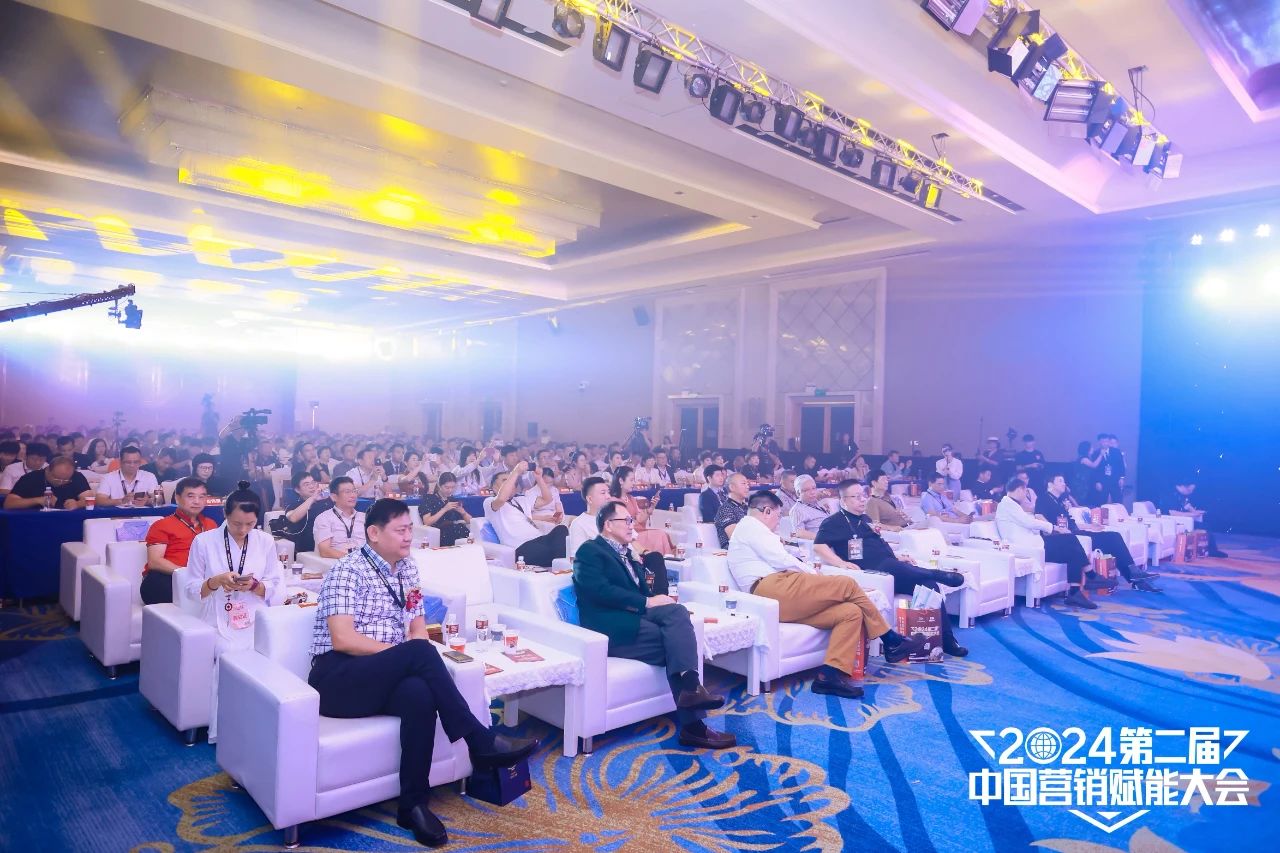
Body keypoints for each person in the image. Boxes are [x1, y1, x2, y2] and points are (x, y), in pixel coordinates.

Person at [310, 498, 537, 847]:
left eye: (409, 529)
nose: (408, 537)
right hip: (338, 679)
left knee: (419, 694)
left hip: (383, 672)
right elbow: (343, 639)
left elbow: (417, 628)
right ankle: (479, 740)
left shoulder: (408, 569)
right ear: (374, 533)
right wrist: (404, 655)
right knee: (419, 653)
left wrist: (407, 657)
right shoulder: (347, 570)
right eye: (400, 530)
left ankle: (413, 805)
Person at [727, 491, 925, 698]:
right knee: (847, 584)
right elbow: (781, 559)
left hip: (779, 595)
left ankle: (828, 676)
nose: (778, 522)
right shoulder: (752, 526)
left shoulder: (751, 531)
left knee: (850, 612)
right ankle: (891, 639)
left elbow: (781, 559)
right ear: (766, 511)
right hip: (772, 587)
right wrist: (814, 574)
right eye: (777, 516)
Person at [573, 500, 734, 749]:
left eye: (631, 520)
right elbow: (598, 590)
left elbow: (642, 589)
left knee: (678, 612)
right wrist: (647, 602)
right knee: (675, 643)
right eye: (626, 521)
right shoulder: (590, 551)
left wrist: (652, 591)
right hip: (609, 625)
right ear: (608, 525)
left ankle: (691, 687)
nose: (631, 525)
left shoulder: (627, 552)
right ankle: (694, 726)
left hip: (635, 615)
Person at [813, 480, 969, 656]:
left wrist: (897, 556)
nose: (862, 500)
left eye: (863, 495)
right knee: (893, 566)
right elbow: (819, 546)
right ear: (843, 500)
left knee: (930, 586)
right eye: (856, 497)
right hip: (872, 572)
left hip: (891, 566)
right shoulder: (833, 522)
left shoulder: (864, 519)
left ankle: (947, 640)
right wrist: (840, 563)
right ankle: (939, 574)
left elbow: (878, 546)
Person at [184, 481, 285, 741]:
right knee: (229, 652)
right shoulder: (204, 541)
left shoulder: (265, 541)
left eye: (250, 524)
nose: (243, 530)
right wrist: (215, 581)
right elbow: (191, 589)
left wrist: (255, 586)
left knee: (274, 650)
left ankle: (264, 725)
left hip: (256, 615)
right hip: (218, 615)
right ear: (225, 515)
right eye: (237, 523)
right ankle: (229, 729)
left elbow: (275, 584)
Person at [1039, 474, 1160, 591]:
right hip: (1067, 537)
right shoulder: (1043, 499)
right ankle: (1134, 577)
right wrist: (1057, 529)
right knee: (1110, 539)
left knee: (1114, 536)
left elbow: (1072, 524)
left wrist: (1090, 526)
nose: (1064, 483)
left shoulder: (1060, 501)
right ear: (1050, 484)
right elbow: (1040, 518)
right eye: (1060, 481)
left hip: (1077, 532)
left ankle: (1133, 573)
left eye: (1064, 481)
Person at [996, 478, 1094, 609]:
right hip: (1028, 547)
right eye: (1025, 491)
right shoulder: (1007, 505)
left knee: (1072, 549)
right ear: (1019, 489)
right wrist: (1054, 528)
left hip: (1033, 543)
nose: (1026, 495)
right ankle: (1090, 575)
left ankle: (1075, 592)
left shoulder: (1011, 505)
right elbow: (1028, 522)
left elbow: (1027, 524)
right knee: (1069, 540)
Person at [141, 477, 219, 604]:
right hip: (166, 578)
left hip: (201, 579)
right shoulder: (162, 525)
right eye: (191, 496)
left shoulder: (211, 524)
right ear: (177, 498)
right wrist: (187, 573)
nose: (197, 501)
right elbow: (154, 562)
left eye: (202, 497)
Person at [485, 464, 568, 567]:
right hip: (522, 547)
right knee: (558, 551)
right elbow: (501, 498)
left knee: (561, 530)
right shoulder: (489, 502)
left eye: (512, 481)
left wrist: (539, 479)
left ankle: (560, 564)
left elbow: (547, 500)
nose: (511, 483)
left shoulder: (521, 500)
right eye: (505, 480)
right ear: (494, 487)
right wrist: (516, 472)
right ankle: (561, 564)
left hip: (539, 539)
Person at [609, 466, 673, 556]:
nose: (634, 483)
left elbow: (640, 520)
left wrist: (651, 507)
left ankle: (664, 561)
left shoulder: (631, 498)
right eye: (631, 480)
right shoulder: (613, 501)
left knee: (662, 534)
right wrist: (633, 521)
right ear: (621, 481)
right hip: (628, 536)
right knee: (660, 535)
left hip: (638, 531)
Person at [1161, 477, 1227, 557]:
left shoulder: (1182, 496)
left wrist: (1197, 512)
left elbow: (1187, 506)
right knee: (1205, 526)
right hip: (1173, 522)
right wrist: (1192, 514)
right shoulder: (1170, 495)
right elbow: (1172, 513)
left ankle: (1208, 549)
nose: (1191, 492)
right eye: (1190, 490)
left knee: (1205, 524)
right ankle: (1212, 550)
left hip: (1182, 520)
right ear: (1184, 487)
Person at [4, 456, 93, 510]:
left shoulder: (77, 477)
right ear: (47, 470)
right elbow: (9, 503)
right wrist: (37, 500)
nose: (61, 483)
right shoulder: (30, 478)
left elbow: (90, 499)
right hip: (34, 521)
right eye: (57, 479)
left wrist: (77, 504)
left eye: (66, 480)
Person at [275, 471, 332, 554]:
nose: (312, 486)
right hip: (309, 547)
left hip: (333, 542)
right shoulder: (294, 506)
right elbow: (293, 518)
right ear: (297, 490)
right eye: (306, 484)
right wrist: (313, 498)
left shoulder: (326, 501)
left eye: (313, 482)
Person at [313, 477, 367, 558]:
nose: (353, 495)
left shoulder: (364, 517)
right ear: (334, 497)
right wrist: (353, 560)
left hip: (366, 560)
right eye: (347, 492)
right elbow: (325, 551)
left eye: (354, 491)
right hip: (339, 562)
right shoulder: (324, 518)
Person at [95, 445, 160, 507]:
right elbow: (99, 500)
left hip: (143, 513)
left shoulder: (149, 476)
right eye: (128, 462)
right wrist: (121, 501)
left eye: (136, 462)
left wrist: (147, 501)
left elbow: (159, 499)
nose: (132, 465)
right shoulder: (108, 478)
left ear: (140, 462)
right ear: (120, 462)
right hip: (116, 514)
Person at [419, 472, 472, 547]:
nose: (450, 490)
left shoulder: (453, 500)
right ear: (439, 485)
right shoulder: (429, 499)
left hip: (457, 530)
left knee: (471, 540)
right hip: (441, 533)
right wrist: (444, 509)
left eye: (453, 487)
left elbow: (471, 521)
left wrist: (463, 513)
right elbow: (427, 522)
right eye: (447, 487)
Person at [713, 472, 751, 548]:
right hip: (735, 550)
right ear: (732, 487)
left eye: (747, 484)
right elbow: (735, 537)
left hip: (750, 547)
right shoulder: (725, 509)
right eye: (743, 484)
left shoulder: (747, 507)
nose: (747, 487)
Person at [788, 474, 829, 540]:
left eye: (814, 488)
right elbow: (799, 534)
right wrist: (824, 538)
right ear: (798, 493)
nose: (812, 492)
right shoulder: (797, 510)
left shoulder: (818, 502)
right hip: (821, 542)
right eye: (807, 490)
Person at [1097, 434, 1126, 504]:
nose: (1105, 443)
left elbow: (1121, 465)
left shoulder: (1116, 451)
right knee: (1102, 502)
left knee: (1117, 501)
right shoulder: (1096, 453)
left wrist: (1122, 478)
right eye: (1103, 442)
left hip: (1115, 480)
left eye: (1107, 441)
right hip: (1103, 481)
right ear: (1099, 442)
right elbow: (1095, 470)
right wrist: (1097, 481)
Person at [1072, 440, 1103, 507]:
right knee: (1084, 502)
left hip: (1086, 484)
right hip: (1082, 485)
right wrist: (1101, 455)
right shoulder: (1084, 459)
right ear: (1087, 449)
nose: (1093, 449)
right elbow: (1094, 465)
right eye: (1091, 447)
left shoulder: (1087, 458)